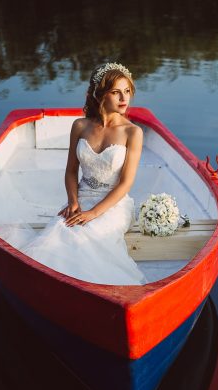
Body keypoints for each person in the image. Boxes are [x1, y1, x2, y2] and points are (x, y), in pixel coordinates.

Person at [21, 63, 148, 285]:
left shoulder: (132, 132)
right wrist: (73, 201)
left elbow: (125, 183)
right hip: (82, 196)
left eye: (127, 91)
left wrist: (94, 213)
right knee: (58, 232)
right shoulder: (80, 126)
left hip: (114, 204)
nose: (123, 98)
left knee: (90, 234)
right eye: (116, 92)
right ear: (100, 94)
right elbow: (71, 171)